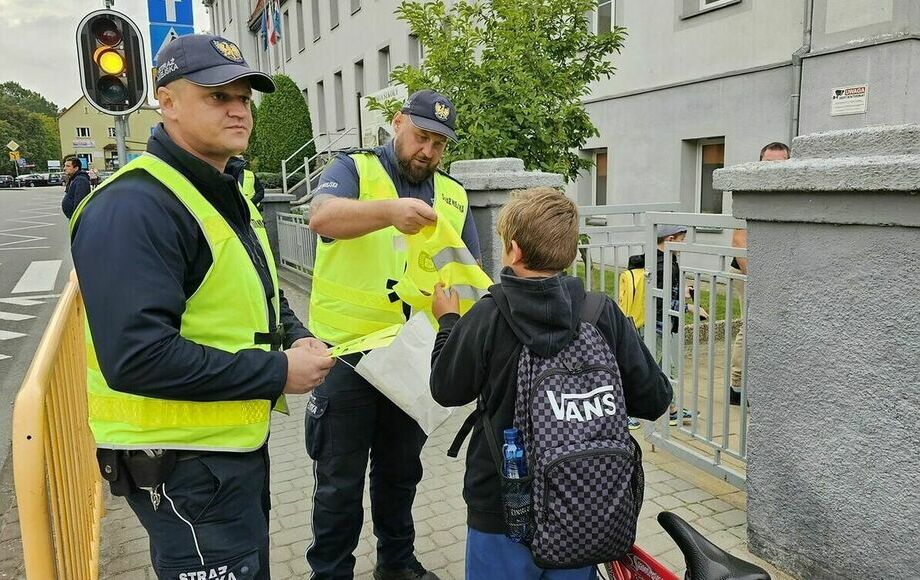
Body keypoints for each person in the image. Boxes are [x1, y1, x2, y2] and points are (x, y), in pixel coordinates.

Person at [69, 34, 334, 579]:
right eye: (217, 95)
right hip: (183, 470)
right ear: (166, 102)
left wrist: (293, 333)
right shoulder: (136, 206)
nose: (239, 108)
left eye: (243, 96)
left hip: (223, 456)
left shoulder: (219, 185)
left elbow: (257, 283)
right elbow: (138, 358)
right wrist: (279, 371)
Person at [429, 187, 672, 579]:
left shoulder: (488, 316)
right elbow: (656, 398)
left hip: (501, 505)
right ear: (569, 253)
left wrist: (448, 322)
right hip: (581, 505)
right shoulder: (599, 312)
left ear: (513, 249)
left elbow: (445, 389)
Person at [305, 89, 480, 580]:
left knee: (400, 474)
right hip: (347, 357)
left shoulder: (454, 195)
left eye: (440, 143)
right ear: (398, 123)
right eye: (422, 136)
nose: (428, 151)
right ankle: (331, 572)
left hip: (413, 359)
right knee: (339, 482)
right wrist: (389, 210)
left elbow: (468, 273)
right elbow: (321, 217)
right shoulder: (355, 169)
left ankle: (397, 565)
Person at [625, 225, 707, 430]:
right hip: (656, 325)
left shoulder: (650, 259)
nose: (683, 244)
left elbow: (661, 291)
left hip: (646, 322)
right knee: (644, 370)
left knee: (665, 369)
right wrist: (690, 307)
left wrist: (682, 291)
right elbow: (661, 302)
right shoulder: (666, 265)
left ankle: (672, 411)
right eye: (681, 239)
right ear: (670, 238)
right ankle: (624, 412)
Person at [728, 141, 790, 404]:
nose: (775, 169)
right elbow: (739, 242)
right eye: (769, 164)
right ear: (759, 164)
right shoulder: (752, 192)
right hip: (750, 272)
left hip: (779, 272)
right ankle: (737, 385)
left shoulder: (789, 194)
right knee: (751, 325)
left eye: (781, 164)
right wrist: (759, 280)